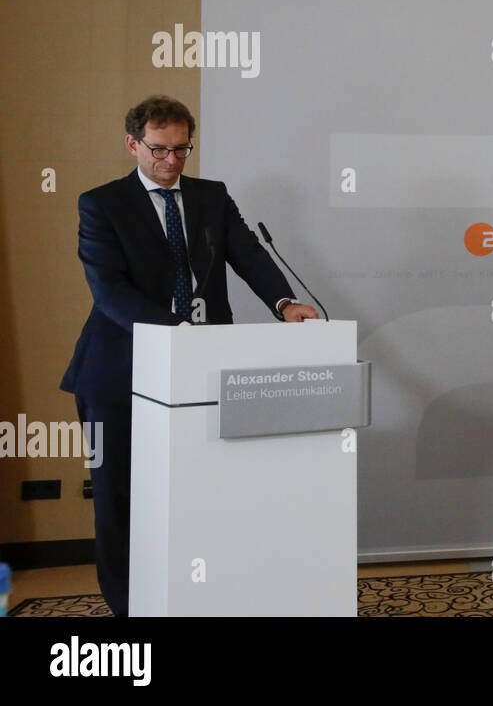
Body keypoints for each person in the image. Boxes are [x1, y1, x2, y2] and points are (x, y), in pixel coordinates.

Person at [59, 95, 317, 615]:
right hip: (118, 374)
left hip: (202, 370)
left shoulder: (211, 197)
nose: (171, 162)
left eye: (182, 150)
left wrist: (284, 303)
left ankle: (199, 595)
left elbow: (247, 253)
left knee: (203, 491)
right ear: (133, 144)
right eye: (159, 150)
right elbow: (109, 292)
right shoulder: (101, 203)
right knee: (120, 499)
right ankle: (130, 607)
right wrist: (176, 331)